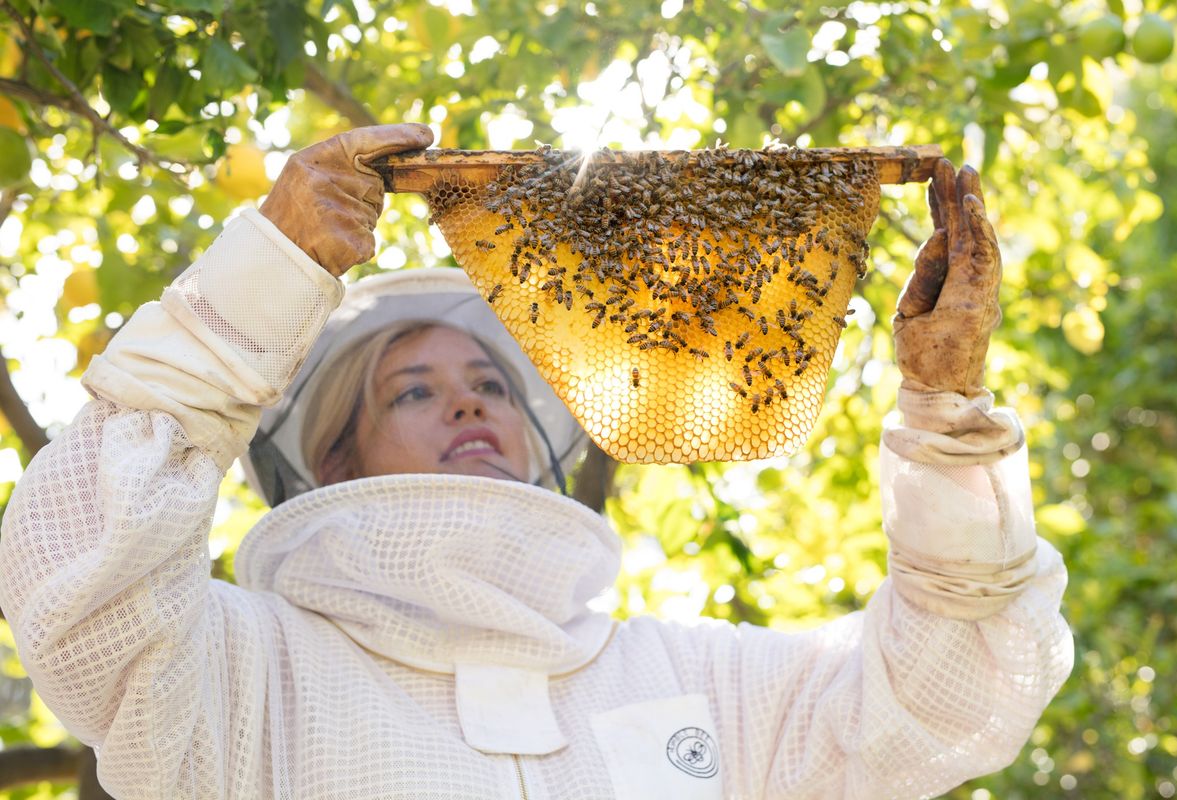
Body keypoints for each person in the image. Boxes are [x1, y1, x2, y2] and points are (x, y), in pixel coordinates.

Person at [0, 125, 1072, 799]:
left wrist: (944, 410)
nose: (468, 396)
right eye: (411, 388)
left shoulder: (706, 681)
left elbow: (950, 690)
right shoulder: (237, 672)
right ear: (328, 460)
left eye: (495, 382)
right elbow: (80, 575)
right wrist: (265, 272)